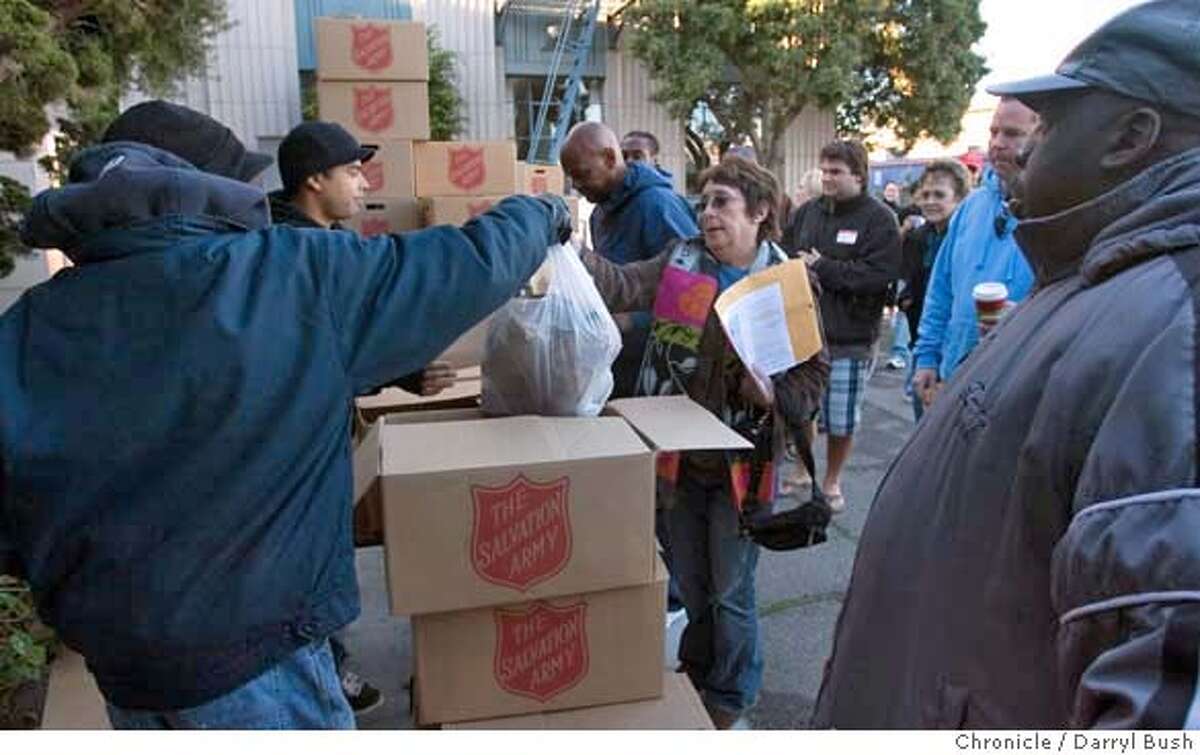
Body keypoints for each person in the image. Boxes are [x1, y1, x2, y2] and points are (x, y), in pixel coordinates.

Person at [0, 101, 571, 729]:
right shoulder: (288, 271)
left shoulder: (26, 327)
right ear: (200, 184)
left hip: (129, 677)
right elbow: (465, 266)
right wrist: (539, 211)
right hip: (261, 662)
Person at [814, 0, 1200, 728]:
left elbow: (1160, 703)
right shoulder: (1099, 278)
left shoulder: (1178, 327)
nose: (1022, 146)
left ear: (1131, 136)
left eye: (1050, 124)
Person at [583, 156, 829, 729]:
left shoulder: (787, 284)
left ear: (761, 211)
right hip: (675, 457)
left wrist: (772, 395)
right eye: (704, 202)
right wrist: (567, 251)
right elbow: (621, 285)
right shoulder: (681, 258)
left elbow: (813, 376)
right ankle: (697, 676)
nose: (707, 213)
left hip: (743, 465)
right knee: (692, 584)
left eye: (722, 202)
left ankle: (731, 699)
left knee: (729, 591)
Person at [270, 120, 460, 717]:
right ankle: (323, 668)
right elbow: (300, 353)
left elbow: (335, 346)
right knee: (306, 559)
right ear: (313, 179)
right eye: (351, 170)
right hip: (292, 443)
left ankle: (328, 656)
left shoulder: (312, 241)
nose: (363, 182)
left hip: (318, 427)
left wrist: (398, 375)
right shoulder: (294, 252)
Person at [561, 122, 697, 625]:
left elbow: (691, 289)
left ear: (613, 158)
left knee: (664, 493)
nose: (577, 185)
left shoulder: (659, 208)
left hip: (655, 372)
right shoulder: (601, 212)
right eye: (570, 178)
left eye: (582, 174)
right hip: (618, 366)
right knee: (634, 488)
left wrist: (631, 320)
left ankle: (679, 598)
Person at [782, 140, 901, 512]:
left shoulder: (879, 219)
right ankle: (803, 468)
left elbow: (879, 276)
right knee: (801, 410)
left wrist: (823, 267)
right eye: (825, 170)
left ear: (859, 176)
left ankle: (831, 480)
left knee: (841, 419)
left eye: (836, 171)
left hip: (850, 338)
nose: (827, 178)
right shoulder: (807, 213)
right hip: (804, 333)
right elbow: (787, 257)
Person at [910, 98, 1039, 409]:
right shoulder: (972, 207)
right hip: (954, 376)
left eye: (1011, 134)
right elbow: (941, 290)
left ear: (1042, 136)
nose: (997, 144)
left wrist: (1022, 321)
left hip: (1017, 385)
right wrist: (927, 356)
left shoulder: (1058, 210)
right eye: (993, 132)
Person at [895, 160, 971, 421]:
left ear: (960, 199)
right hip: (922, 344)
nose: (930, 201)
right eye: (925, 195)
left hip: (957, 351)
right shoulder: (918, 238)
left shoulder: (967, 240)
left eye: (939, 195)